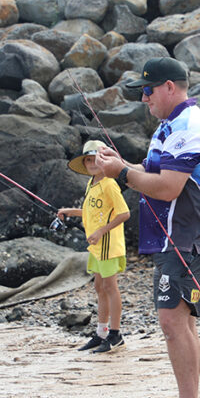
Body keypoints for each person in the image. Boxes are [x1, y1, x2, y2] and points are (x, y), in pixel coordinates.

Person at [95, 57, 200, 398]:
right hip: (179, 237)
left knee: (172, 321)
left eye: (148, 90)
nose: (144, 98)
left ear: (170, 87)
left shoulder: (188, 127)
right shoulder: (169, 126)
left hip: (193, 237)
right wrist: (121, 164)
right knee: (181, 321)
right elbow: (154, 172)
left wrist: (121, 174)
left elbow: (168, 187)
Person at [59, 140, 131, 354]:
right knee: (99, 287)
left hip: (108, 244)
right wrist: (71, 211)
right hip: (96, 247)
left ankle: (115, 334)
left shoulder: (109, 184)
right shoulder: (91, 183)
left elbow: (124, 213)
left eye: (96, 159)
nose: (92, 164)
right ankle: (101, 333)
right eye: (88, 160)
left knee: (110, 287)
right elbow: (93, 212)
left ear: (104, 161)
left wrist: (101, 231)